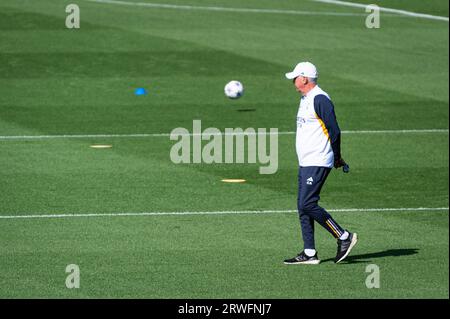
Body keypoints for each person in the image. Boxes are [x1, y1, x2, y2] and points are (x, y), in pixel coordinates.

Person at [283, 62, 357, 265]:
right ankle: (309, 253)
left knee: (308, 203)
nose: (293, 81)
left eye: (295, 77)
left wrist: (337, 156)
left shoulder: (320, 99)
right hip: (307, 160)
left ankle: (344, 236)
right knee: (303, 206)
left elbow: (335, 130)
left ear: (304, 78)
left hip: (318, 159)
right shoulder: (305, 98)